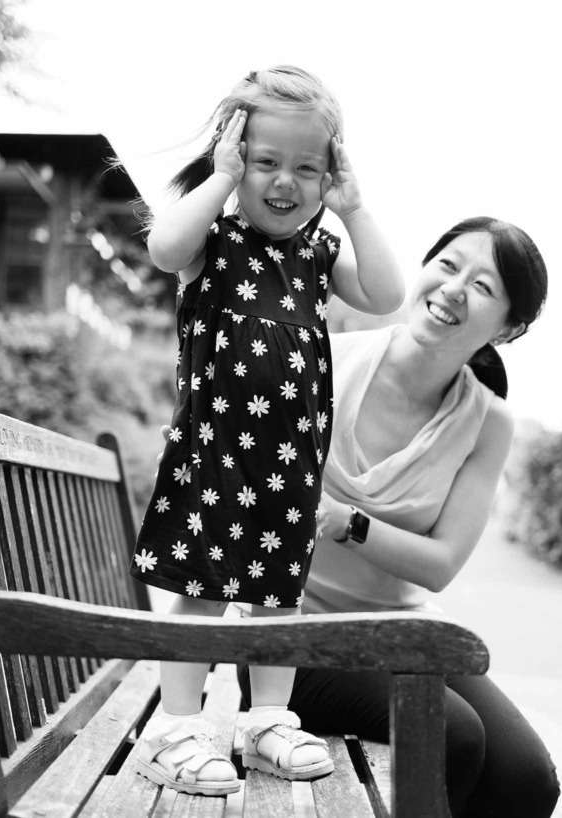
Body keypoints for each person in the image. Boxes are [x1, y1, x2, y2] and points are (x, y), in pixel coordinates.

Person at [129, 65, 404, 796]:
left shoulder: (318, 254)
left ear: (328, 176)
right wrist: (218, 179)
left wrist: (356, 209)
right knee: (200, 586)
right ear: (237, 158)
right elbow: (161, 247)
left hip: (288, 464)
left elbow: (386, 295)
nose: (286, 181)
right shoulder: (211, 240)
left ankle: (267, 719)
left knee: (281, 592)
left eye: (307, 168)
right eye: (266, 162)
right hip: (214, 451)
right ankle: (178, 727)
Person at [243, 216, 560, 817]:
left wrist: (343, 521)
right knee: (455, 735)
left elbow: (440, 565)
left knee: (526, 780)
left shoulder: (488, 423)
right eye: (447, 264)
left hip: (397, 631)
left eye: (484, 286)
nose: (454, 288)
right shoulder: (318, 360)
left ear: (511, 327)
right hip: (282, 635)